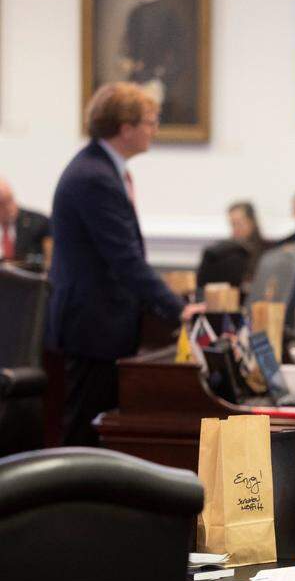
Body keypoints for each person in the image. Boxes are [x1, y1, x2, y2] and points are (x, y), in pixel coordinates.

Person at [46, 82, 203, 446]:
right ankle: (73, 502)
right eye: (150, 122)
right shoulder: (94, 177)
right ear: (126, 127)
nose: (154, 130)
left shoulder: (100, 169)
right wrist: (177, 309)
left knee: (95, 425)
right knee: (86, 429)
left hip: (99, 321)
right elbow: (125, 259)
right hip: (93, 325)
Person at [120, 0, 186, 122]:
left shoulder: (170, 14)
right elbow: (127, 48)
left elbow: (180, 57)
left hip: (159, 88)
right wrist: (126, 61)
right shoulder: (134, 14)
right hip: (135, 86)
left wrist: (159, 80)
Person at [195, 201, 265, 290]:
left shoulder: (267, 251)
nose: (235, 229)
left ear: (252, 222)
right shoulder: (226, 252)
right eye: (232, 224)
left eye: (239, 223)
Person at [0, 176, 51, 263]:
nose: (9, 208)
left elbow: (50, 260)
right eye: (3, 204)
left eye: (10, 200)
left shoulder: (39, 223)